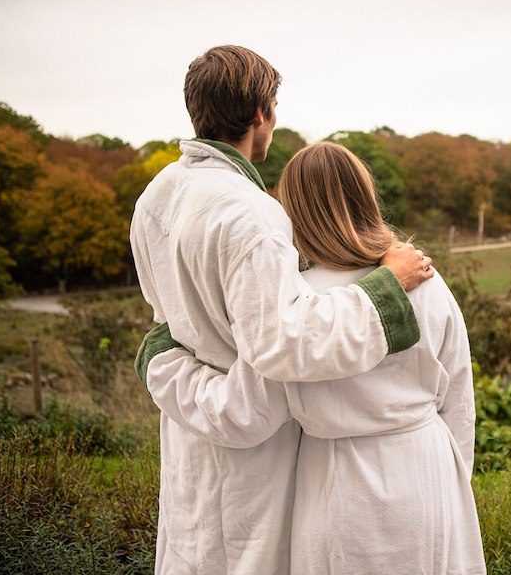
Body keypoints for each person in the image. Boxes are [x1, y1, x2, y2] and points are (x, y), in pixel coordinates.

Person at [130, 45, 433, 575]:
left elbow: (168, 319)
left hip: (188, 427)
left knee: (192, 552)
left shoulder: (158, 194)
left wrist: (162, 352)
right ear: (261, 114)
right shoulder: (252, 213)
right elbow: (283, 343)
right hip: (250, 450)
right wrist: (387, 288)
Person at [150, 142, 486, 574]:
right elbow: (459, 398)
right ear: (365, 197)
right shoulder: (425, 280)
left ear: (292, 212)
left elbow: (253, 401)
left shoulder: (292, 302)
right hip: (427, 466)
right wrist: (454, 476)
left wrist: (166, 358)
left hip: (336, 483)